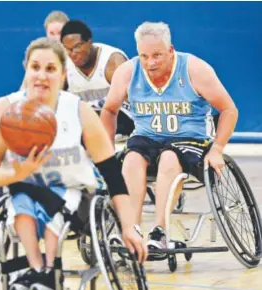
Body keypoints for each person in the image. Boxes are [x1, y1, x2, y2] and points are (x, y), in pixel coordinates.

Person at [0, 37, 147, 290]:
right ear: (26, 70)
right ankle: (39, 271)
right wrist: (19, 172)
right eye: (35, 67)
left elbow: (114, 176)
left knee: (55, 205)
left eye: (50, 69)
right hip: (24, 192)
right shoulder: (4, 109)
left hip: (76, 199)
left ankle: (45, 272)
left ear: (63, 73)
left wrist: (128, 226)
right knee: (21, 203)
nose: (41, 76)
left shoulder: (79, 112)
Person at [100, 22, 238, 256]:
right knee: (131, 159)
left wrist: (217, 149)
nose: (150, 62)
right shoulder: (128, 72)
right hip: (146, 137)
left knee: (169, 158)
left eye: (157, 55)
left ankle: (159, 232)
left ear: (171, 50)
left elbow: (229, 110)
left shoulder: (194, 69)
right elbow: (109, 110)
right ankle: (131, 230)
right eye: (144, 56)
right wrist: (107, 150)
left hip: (190, 139)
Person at [60, 20, 135, 139]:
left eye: (77, 47)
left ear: (89, 42)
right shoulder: (64, 66)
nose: (72, 53)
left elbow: (134, 101)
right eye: (67, 49)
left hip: (121, 122)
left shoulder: (112, 61)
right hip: (86, 125)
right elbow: (54, 103)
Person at [19, 10, 69, 90]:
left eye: (60, 33)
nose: (56, 38)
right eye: (51, 33)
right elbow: (23, 93)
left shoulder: (78, 60)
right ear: (46, 33)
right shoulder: (39, 59)